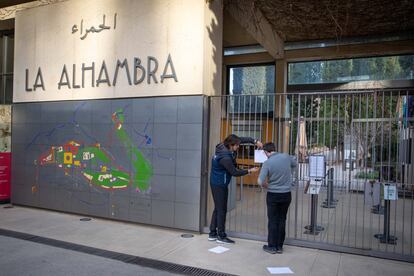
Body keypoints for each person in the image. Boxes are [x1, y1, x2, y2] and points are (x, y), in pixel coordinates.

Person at [209, 134, 262, 244]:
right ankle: (221, 236)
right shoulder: (225, 158)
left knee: (218, 208)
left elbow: (243, 139)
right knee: (222, 210)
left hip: (217, 182)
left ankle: (212, 233)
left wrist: (255, 141)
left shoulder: (222, 146)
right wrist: (249, 171)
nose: (239, 147)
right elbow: (234, 172)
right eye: (237, 146)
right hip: (219, 184)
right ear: (231, 145)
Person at [257, 142, 297, 254]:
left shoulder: (267, 163)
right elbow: (295, 164)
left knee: (273, 220)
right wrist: (289, 175)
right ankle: (279, 246)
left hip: (273, 194)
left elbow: (260, 181)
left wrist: (267, 186)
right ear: (274, 149)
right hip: (286, 194)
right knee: (282, 219)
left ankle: (272, 246)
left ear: (266, 152)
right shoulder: (286, 157)